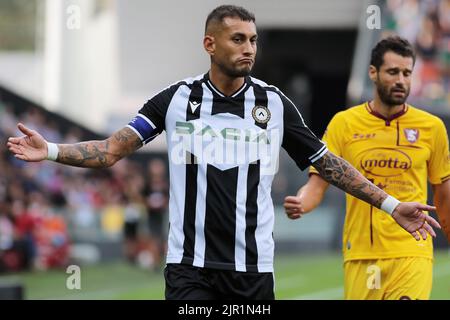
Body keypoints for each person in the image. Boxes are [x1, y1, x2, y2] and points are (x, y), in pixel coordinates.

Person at [7, 6, 440, 300]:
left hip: (251, 268)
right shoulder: (176, 99)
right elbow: (111, 150)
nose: (249, 48)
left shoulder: (274, 104)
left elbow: (326, 163)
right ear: (210, 45)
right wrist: (51, 151)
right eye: (238, 39)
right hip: (188, 267)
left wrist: (390, 204)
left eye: (253, 39)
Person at [284, 36, 450, 300]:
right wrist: (302, 203)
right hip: (363, 254)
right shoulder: (344, 123)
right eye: (393, 72)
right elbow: (318, 182)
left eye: (407, 73)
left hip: (412, 249)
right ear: (373, 72)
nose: (401, 80)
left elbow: (443, 193)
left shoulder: (432, 128)